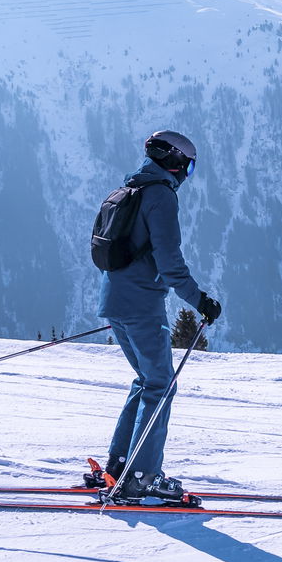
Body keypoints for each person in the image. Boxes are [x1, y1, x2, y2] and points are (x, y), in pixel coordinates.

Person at [92, 130, 222, 502]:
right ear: (177, 161)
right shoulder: (160, 196)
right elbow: (169, 263)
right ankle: (142, 477)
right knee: (161, 385)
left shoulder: (126, 191)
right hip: (142, 306)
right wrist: (200, 300)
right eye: (189, 166)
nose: (187, 174)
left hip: (115, 302)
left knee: (147, 380)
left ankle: (119, 465)